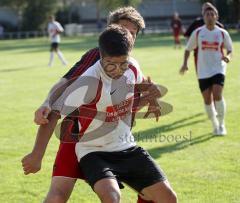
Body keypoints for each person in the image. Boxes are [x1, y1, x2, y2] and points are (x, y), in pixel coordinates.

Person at [22, 7, 166, 203]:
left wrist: (150, 98)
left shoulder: (129, 65)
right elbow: (65, 83)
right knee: (59, 194)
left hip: (117, 142)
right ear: (109, 29)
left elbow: (124, 105)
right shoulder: (94, 59)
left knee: (153, 192)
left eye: (133, 33)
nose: (128, 36)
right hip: (79, 137)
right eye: (123, 29)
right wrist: (38, 151)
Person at [51, 24, 177, 203]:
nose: (118, 69)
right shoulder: (89, 82)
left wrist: (152, 96)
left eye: (123, 63)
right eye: (112, 65)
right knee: (112, 196)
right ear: (101, 56)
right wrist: (37, 152)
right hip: (93, 152)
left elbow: (140, 87)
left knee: (168, 198)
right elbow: (55, 111)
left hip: (127, 147)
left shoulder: (132, 67)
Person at [179, 3, 233, 136]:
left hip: (218, 68)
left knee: (217, 95)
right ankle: (215, 126)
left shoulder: (222, 33)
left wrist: (228, 57)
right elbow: (188, 49)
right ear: (203, 17)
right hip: (203, 70)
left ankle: (222, 125)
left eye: (212, 14)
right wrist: (185, 63)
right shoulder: (198, 33)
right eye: (207, 14)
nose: (209, 16)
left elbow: (230, 49)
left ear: (216, 17)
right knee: (207, 100)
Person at [184, 2, 224, 69]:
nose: (206, 10)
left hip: (214, 56)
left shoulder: (219, 26)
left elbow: (224, 43)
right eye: (204, 9)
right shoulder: (196, 23)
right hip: (199, 56)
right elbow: (187, 35)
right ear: (202, 12)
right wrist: (191, 45)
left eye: (208, 8)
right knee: (202, 77)